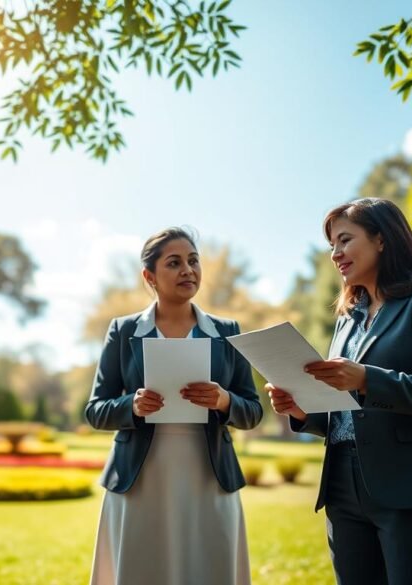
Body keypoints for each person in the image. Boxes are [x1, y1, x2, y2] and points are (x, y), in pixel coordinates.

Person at [267, 198, 412, 585]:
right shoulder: (348, 319)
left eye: (345, 240)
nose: (335, 253)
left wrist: (366, 378)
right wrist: (300, 410)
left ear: (381, 239)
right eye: (332, 245)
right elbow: (344, 415)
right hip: (343, 485)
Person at [86, 227, 262, 585]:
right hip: (140, 478)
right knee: (142, 568)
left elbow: (254, 411)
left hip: (208, 475)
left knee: (208, 567)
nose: (188, 270)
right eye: (175, 263)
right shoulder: (123, 331)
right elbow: (96, 409)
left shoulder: (227, 332)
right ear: (149, 276)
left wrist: (224, 400)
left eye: (194, 261)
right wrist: (131, 405)